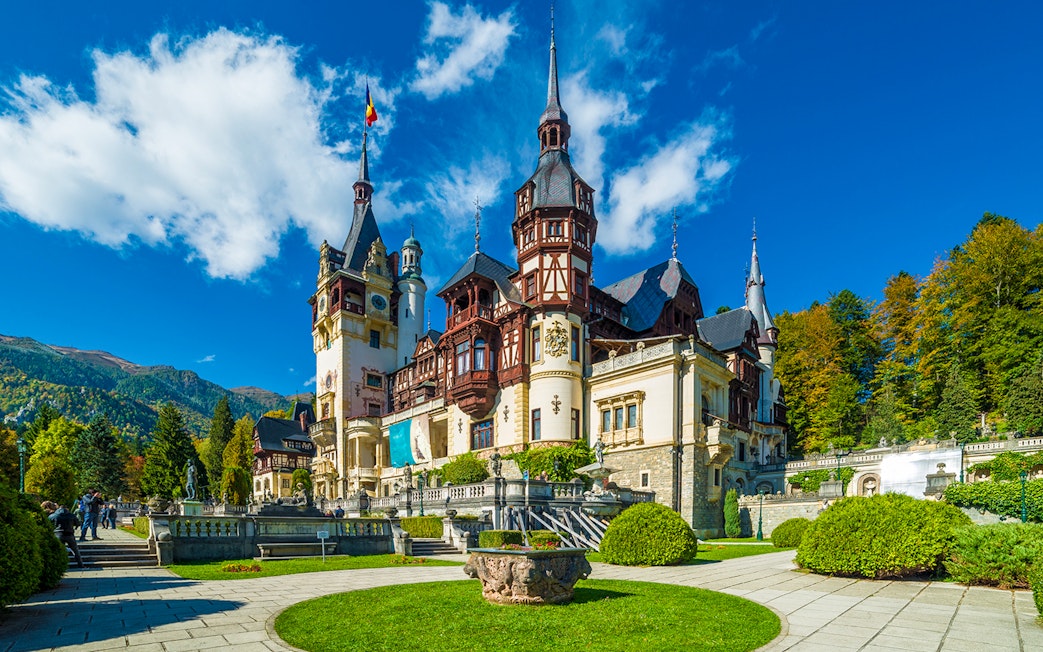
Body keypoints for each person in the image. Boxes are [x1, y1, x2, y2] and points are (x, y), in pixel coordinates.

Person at [43, 501, 83, 568]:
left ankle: (58, 566)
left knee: (58, 551)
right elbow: (78, 523)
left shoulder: (53, 515)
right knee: (75, 550)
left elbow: (48, 524)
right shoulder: (71, 515)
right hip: (69, 534)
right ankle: (80, 564)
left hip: (58, 533)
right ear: (66, 509)